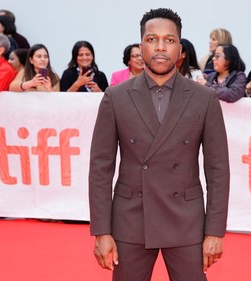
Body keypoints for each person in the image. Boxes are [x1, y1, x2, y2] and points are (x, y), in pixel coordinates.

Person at [89, 7, 230, 281]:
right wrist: (101, 231)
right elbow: (100, 169)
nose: (161, 47)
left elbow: (218, 170)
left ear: (180, 48)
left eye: (169, 40)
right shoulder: (115, 97)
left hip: (187, 221)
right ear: (141, 46)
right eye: (152, 40)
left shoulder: (204, 99)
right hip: (131, 220)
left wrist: (215, 231)